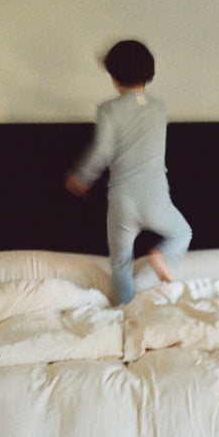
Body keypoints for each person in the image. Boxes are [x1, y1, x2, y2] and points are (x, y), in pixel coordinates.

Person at [66, 39, 191, 304]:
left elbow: (102, 150)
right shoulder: (159, 108)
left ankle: (126, 310)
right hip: (156, 197)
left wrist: (81, 178)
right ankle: (159, 259)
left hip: (123, 200)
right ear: (150, 73)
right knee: (182, 233)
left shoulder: (108, 110)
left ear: (113, 77)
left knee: (121, 263)